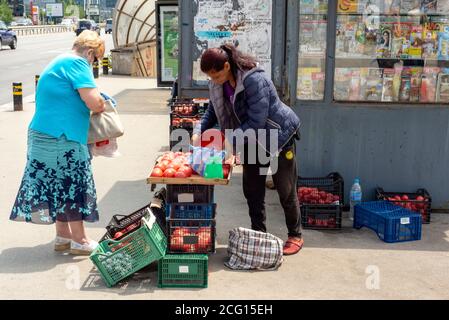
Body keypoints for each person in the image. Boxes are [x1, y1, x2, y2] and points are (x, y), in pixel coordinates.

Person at [192, 44, 303, 255]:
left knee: (285, 188)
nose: (213, 81)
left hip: (277, 136)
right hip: (250, 140)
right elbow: (212, 113)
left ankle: (295, 234)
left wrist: (230, 140)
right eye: (210, 78)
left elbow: (257, 122)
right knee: (252, 190)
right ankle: (259, 233)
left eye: (215, 76)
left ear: (226, 66)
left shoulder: (254, 80)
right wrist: (199, 130)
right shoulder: (218, 84)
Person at [10, 30, 106, 255]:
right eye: (95, 59)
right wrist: (102, 101)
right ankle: (80, 240)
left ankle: (63, 237)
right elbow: (95, 103)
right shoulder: (77, 64)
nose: (93, 64)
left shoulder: (60, 61)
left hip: (42, 135)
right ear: (90, 52)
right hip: (62, 137)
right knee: (74, 185)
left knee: (57, 187)